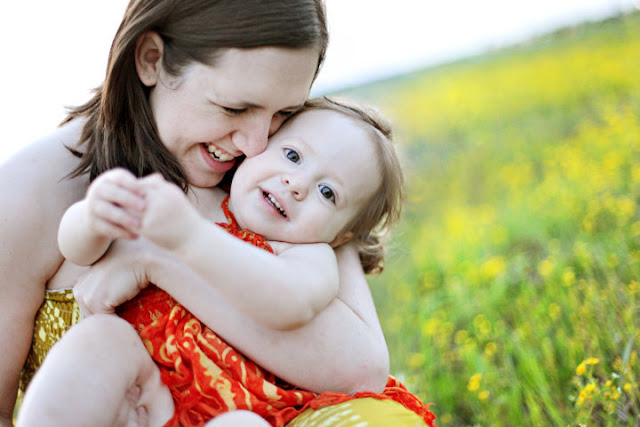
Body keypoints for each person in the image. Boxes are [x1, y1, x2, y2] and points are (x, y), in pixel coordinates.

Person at [0, 0, 429, 425]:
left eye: (284, 113)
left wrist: (159, 258)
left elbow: (360, 369)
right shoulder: (30, 191)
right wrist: (94, 218)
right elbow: (76, 244)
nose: (255, 143)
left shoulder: (290, 195)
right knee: (102, 337)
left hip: (234, 415)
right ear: (151, 60)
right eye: (234, 108)